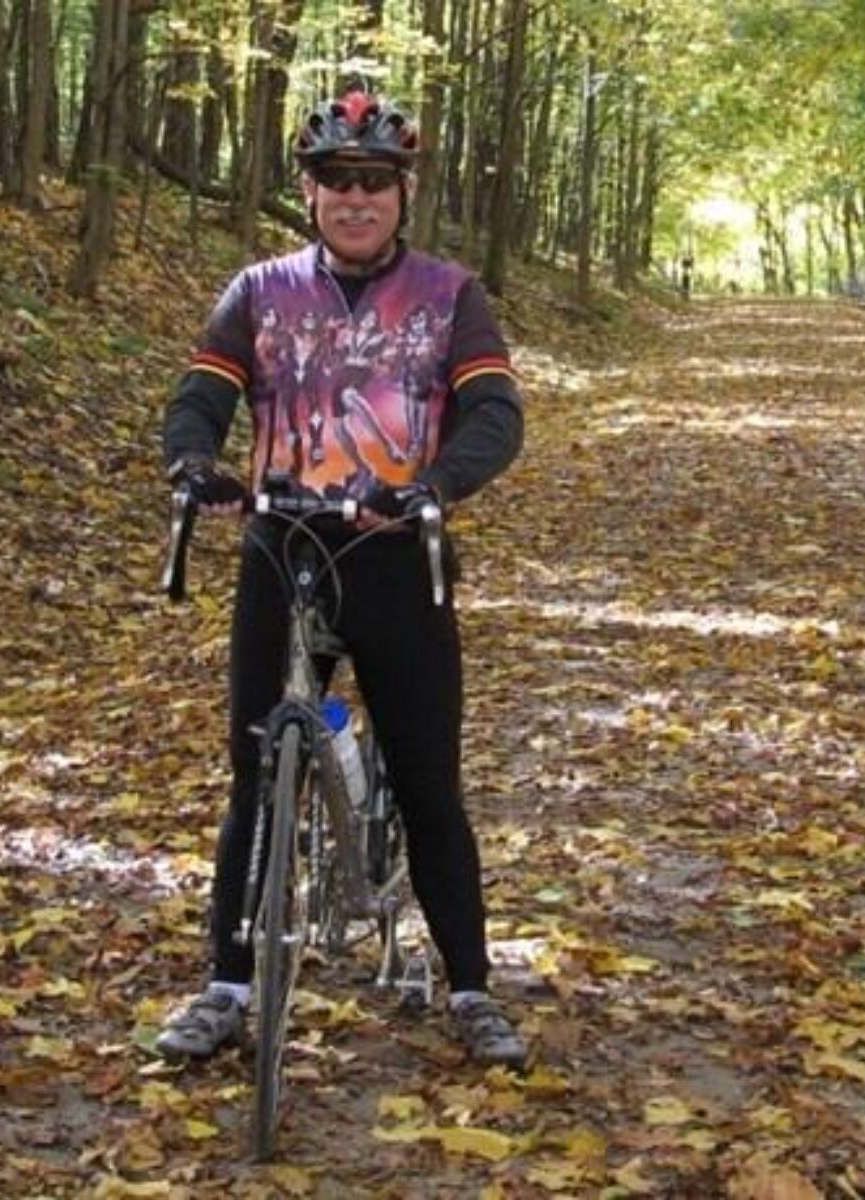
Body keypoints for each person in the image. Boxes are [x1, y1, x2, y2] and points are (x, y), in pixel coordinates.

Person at [154, 89, 527, 1067]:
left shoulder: (453, 296)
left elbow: (495, 414)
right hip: (283, 552)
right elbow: (200, 396)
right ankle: (228, 985)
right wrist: (194, 462)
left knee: (429, 784)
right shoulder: (259, 291)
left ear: (402, 194)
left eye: (374, 182)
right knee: (256, 774)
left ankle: (472, 988)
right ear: (309, 191)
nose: (355, 198)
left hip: (400, 560)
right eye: (335, 181)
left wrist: (437, 485)